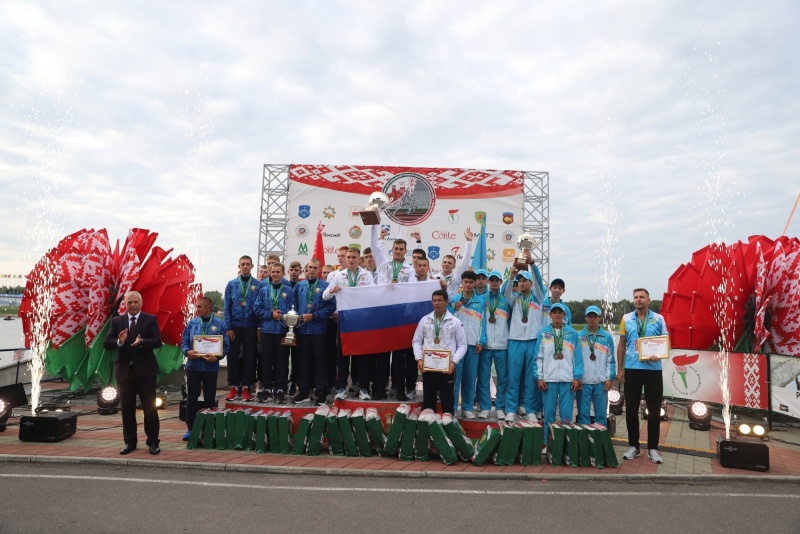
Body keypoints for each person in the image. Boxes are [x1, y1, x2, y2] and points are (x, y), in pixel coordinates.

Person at [103, 291, 163, 455]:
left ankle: (153, 442)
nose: (133, 305)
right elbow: (107, 343)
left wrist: (142, 341)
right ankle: (130, 442)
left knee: (149, 409)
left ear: (141, 303)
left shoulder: (150, 319)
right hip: (125, 373)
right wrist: (120, 341)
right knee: (127, 410)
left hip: (145, 372)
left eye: (136, 302)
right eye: (130, 302)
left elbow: (157, 341)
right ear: (125, 304)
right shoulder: (117, 321)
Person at [617, 288, 669, 464]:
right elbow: (622, 345)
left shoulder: (659, 318)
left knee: (654, 411)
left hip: (653, 369)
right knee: (631, 410)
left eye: (642, 297)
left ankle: (653, 448)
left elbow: (666, 343)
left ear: (649, 300)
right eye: (636, 297)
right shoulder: (626, 319)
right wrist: (620, 369)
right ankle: (634, 446)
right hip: (632, 369)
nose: (638, 300)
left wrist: (659, 354)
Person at [323, 247, 374, 400]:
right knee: (342, 355)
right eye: (348, 257)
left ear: (360, 259)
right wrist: (332, 290)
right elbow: (325, 296)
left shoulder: (367, 275)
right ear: (345, 259)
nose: (351, 260)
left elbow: (373, 294)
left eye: (354, 257)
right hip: (344, 320)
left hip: (361, 319)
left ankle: (364, 388)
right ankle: (340, 388)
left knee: (362, 356)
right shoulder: (339, 276)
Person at [502, 256, 546, 422]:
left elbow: (539, 281)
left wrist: (532, 265)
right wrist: (511, 276)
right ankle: (511, 409)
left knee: (530, 379)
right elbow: (506, 291)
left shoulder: (538, 298)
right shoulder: (515, 298)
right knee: (513, 377)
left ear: (531, 283)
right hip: (515, 341)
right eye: (519, 281)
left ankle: (530, 409)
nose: (521, 283)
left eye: (524, 280)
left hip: (533, 341)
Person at [180, 296, 229, 440]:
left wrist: (217, 357)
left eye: (200, 307)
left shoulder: (220, 324)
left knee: (209, 398)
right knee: (191, 398)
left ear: (208, 307)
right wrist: (187, 352)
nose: (197, 310)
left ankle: (210, 428)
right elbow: (183, 342)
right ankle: (191, 428)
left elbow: (226, 346)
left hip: (210, 367)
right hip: (193, 366)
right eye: (196, 307)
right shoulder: (192, 323)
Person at [412, 289, 467, 413]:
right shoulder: (425, 320)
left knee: (447, 402)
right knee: (428, 402)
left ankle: (448, 428)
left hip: (447, 368)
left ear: (446, 302)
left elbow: (463, 345)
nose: (436, 303)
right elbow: (416, 341)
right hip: (428, 368)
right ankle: (428, 428)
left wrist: (453, 362)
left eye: (439, 300)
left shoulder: (455, 321)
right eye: (434, 301)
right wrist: (419, 359)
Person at [534, 303, 584, 439]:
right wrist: (539, 377)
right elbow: (538, 357)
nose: (557, 315)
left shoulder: (572, 333)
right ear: (550, 315)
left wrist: (576, 377)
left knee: (566, 416)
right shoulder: (543, 333)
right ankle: (547, 442)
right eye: (554, 312)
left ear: (564, 315)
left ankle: (566, 444)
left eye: (559, 312)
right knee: (549, 414)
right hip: (548, 379)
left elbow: (577, 358)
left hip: (567, 379)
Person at [293, 258, 336, 406]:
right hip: (303, 330)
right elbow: (295, 306)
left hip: (319, 330)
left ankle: (321, 393)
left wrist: (315, 316)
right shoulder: (299, 286)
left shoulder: (326, 286)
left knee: (320, 362)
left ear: (319, 270)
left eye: (314, 268)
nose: (311, 270)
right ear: (306, 269)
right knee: (303, 362)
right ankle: (304, 391)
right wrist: (298, 317)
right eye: (309, 267)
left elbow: (331, 306)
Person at [253, 263, 296, 404]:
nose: (276, 274)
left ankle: (280, 389)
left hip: (283, 331)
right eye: (273, 272)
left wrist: (283, 317)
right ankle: (266, 388)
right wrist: (270, 315)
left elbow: (294, 311)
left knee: (282, 361)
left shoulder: (289, 291)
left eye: (278, 272)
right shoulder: (263, 290)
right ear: (270, 274)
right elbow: (256, 309)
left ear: (283, 273)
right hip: (267, 330)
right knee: (266, 360)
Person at [448, 270, 487, 418]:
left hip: (473, 345)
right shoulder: (455, 300)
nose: (468, 285)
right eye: (466, 282)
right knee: (455, 379)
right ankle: (452, 408)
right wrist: (453, 308)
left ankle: (467, 408)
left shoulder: (481, 302)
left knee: (470, 378)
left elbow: (484, 323)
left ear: (475, 283)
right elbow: (448, 320)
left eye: (471, 282)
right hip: (457, 347)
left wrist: (481, 341)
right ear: (462, 283)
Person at [223, 256, 260, 401]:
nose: (245, 267)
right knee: (232, 356)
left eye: (247, 264)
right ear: (239, 266)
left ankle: (245, 387)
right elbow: (227, 307)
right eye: (242, 264)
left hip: (251, 325)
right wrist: (228, 327)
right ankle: (233, 386)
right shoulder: (231, 284)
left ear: (252, 266)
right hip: (235, 326)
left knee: (250, 356)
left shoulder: (258, 285)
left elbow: (260, 306)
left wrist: (258, 327)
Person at [479, 270, 511, 419]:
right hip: (485, 346)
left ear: (500, 282)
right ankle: (485, 407)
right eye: (491, 280)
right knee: (484, 377)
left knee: (503, 378)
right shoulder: (481, 300)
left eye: (496, 280)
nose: (493, 282)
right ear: (488, 282)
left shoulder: (506, 300)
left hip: (502, 345)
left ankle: (500, 407)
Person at [577, 305, 616, 427]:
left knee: (601, 414)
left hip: (601, 381)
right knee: (583, 413)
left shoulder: (607, 337)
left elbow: (611, 360)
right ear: (585, 318)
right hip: (584, 381)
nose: (592, 319)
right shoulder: (579, 336)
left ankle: (600, 441)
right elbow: (575, 359)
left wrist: (609, 378)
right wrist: (577, 377)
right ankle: (585, 440)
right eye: (590, 316)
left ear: (600, 318)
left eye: (595, 316)